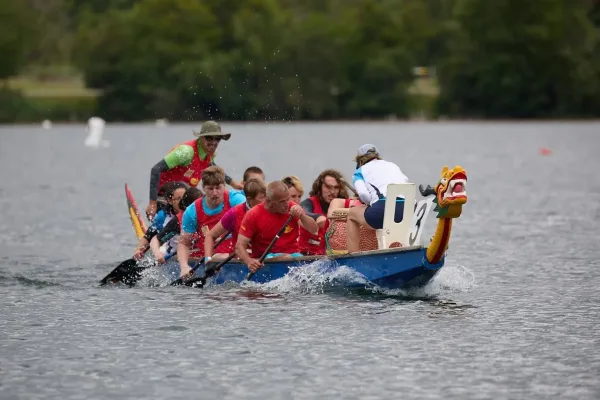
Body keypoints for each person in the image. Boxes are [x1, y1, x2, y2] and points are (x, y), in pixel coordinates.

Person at [145, 120, 242, 221]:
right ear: (201, 138)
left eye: (217, 139)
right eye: (209, 138)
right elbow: (156, 169)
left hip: (184, 197)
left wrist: (234, 184)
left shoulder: (210, 153)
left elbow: (212, 167)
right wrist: (152, 203)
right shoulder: (186, 152)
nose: (213, 142)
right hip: (165, 197)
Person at [177, 166, 246, 278]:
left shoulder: (236, 200)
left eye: (218, 188)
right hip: (211, 258)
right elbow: (184, 243)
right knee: (220, 257)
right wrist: (184, 267)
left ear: (224, 186)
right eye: (210, 188)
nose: (215, 193)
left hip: (239, 252)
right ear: (203, 188)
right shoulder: (192, 211)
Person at [236, 181, 318, 273]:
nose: (287, 204)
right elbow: (239, 246)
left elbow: (314, 230)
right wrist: (249, 261)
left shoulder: (292, 207)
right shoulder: (253, 214)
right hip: (265, 261)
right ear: (268, 201)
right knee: (286, 258)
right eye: (282, 202)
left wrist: (302, 216)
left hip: (293, 257)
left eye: (288, 199)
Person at [347, 144, 410, 253]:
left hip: (382, 211)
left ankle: (353, 256)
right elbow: (406, 182)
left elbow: (363, 194)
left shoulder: (359, 172)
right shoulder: (393, 165)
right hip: (408, 211)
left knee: (352, 214)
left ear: (359, 160)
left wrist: (367, 203)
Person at [204, 179, 267, 262]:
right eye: (262, 197)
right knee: (217, 257)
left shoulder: (271, 209)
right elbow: (210, 236)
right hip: (242, 261)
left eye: (267, 196)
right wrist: (208, 259)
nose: (267, 201)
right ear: (249, 199)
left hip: (266, 259)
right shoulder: (235, 213)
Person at [298, 169, 351, 256]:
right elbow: (303, 211)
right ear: (319, 187)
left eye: (336, 188)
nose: (333, 192)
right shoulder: (309, 203)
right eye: (328, 187)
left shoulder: (344, 203)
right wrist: (318, 217)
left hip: (334, 257)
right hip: (307, 258)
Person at [133, 181, 188, 259]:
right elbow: (148, 236)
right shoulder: (162, 216)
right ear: (170, 201)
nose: (183, 202)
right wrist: (138, 250)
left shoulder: (192, 212)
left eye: (184, 198)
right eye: (179, 199)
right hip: (171, 254)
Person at [148, 187, 203, 264]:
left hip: (199, 258)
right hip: (175, 259)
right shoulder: (178, 221)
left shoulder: (208, 216)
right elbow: (155, 240)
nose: (203, 208)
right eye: (200, 205)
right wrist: (158, 255)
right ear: (189, 207)